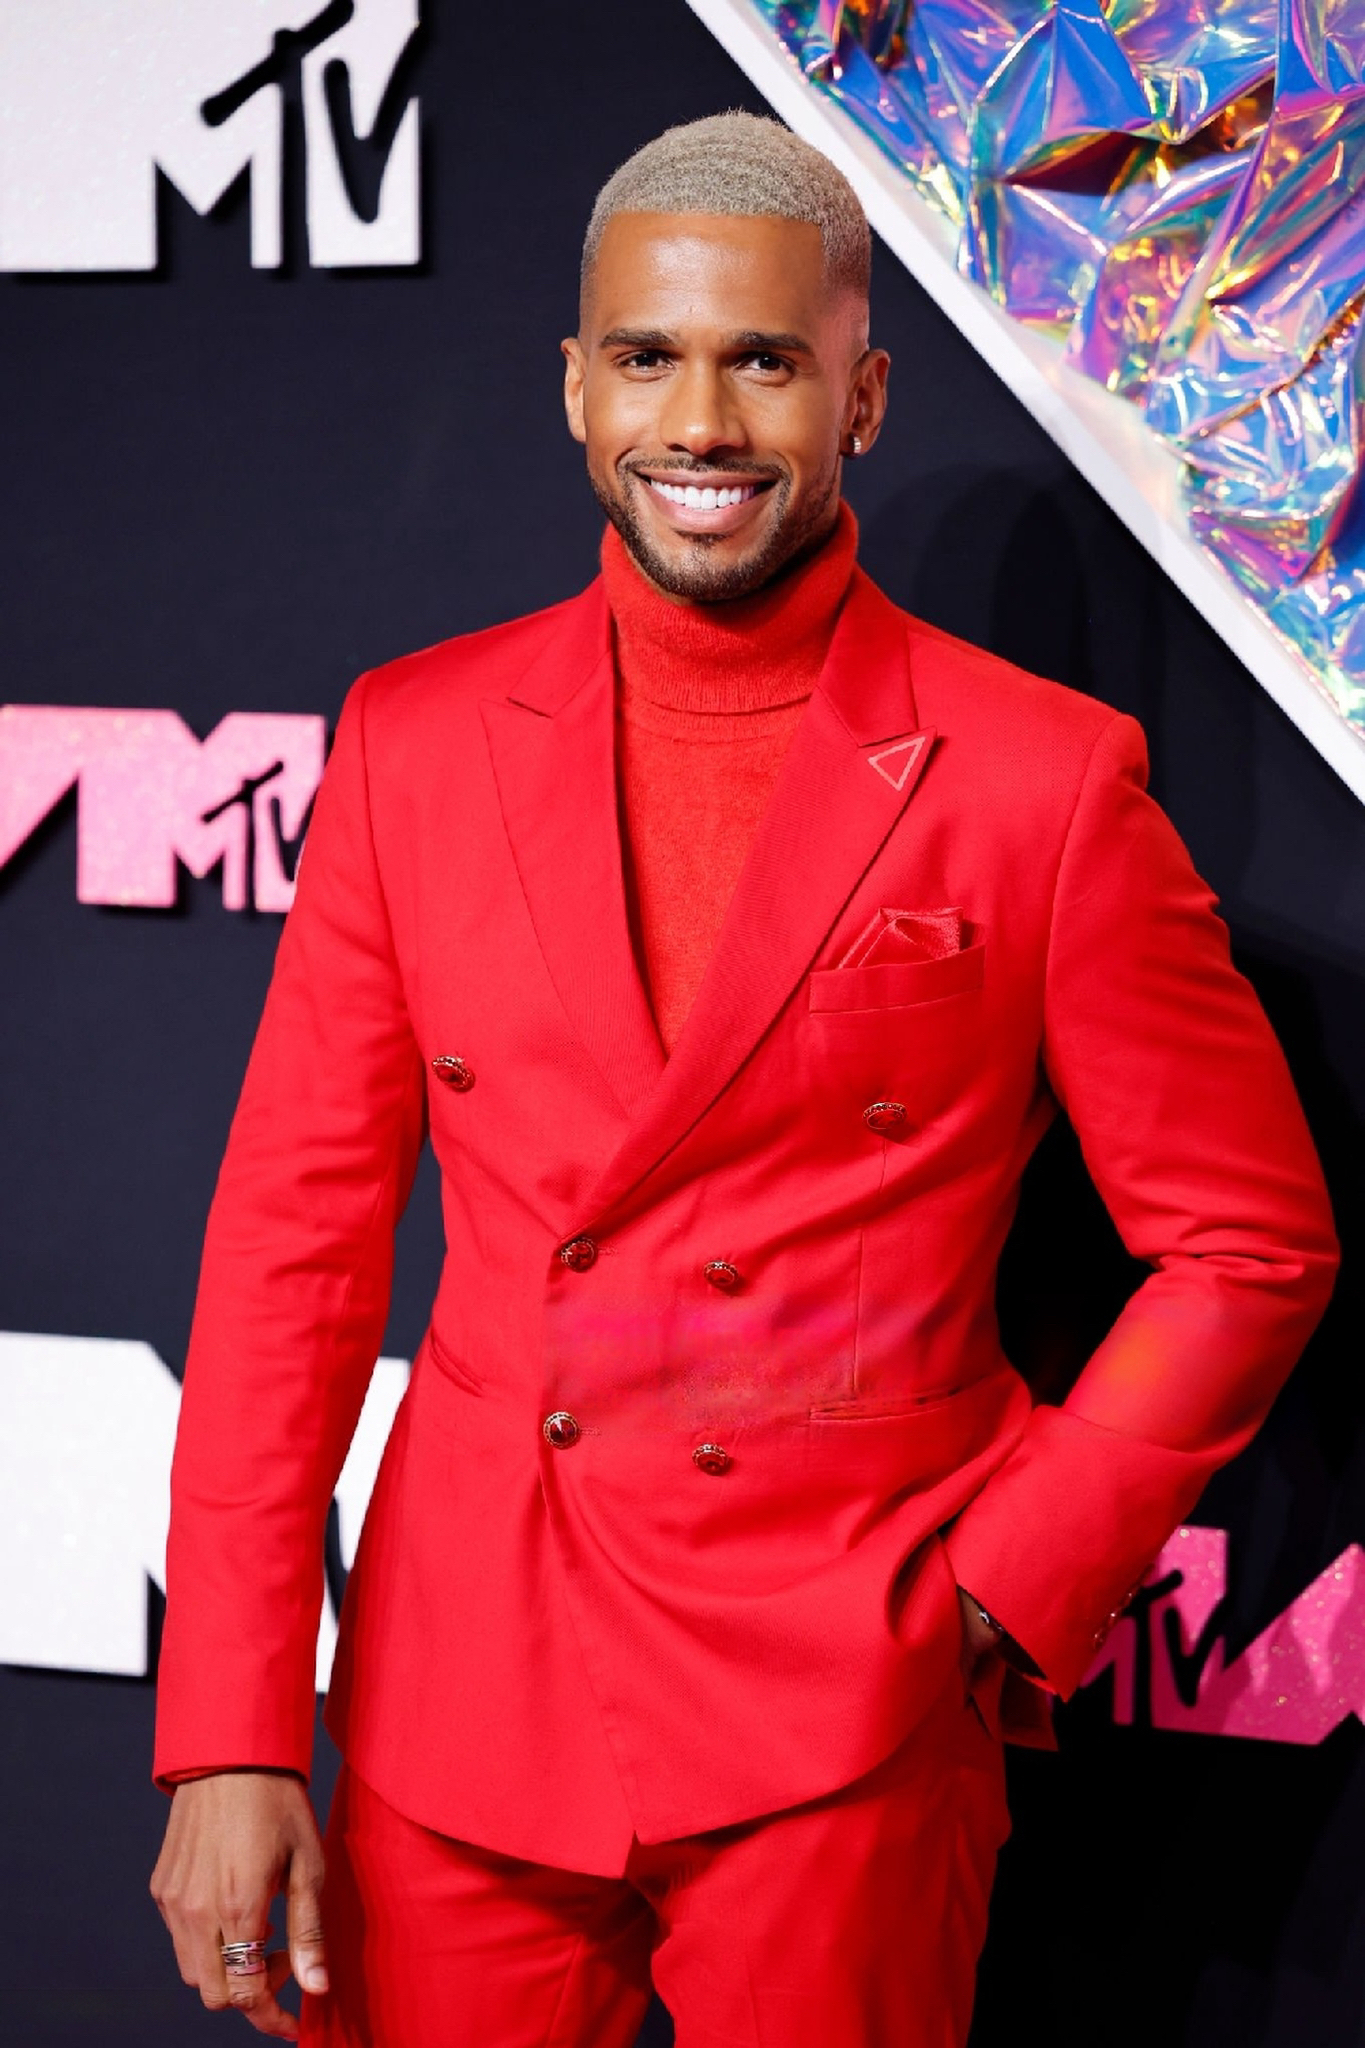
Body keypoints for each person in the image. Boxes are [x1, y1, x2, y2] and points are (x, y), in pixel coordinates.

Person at [149, 112, 1337, 2047]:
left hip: (846, 1698)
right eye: (647, 357)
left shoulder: (1040, 779)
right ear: (572, 383)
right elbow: (291, 1248)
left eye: (763, 361)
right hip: (464, 1698)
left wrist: (992, 1589)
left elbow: (1245, 1246)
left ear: (861, 395)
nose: (698, 419)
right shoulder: (411, 739)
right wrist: (226, 1728)